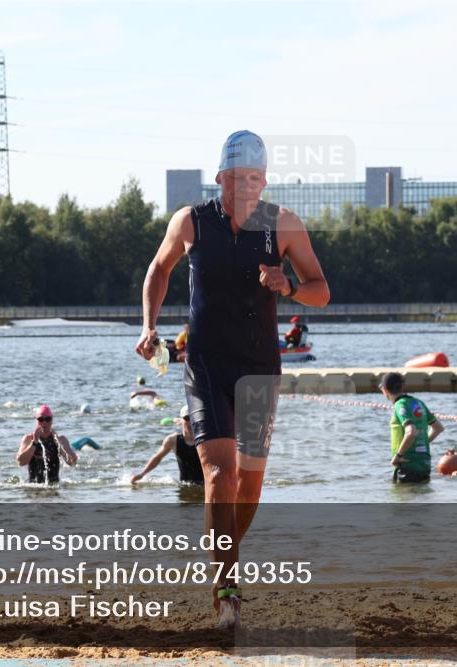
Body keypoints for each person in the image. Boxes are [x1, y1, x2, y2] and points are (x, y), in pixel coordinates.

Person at [135, 130, 330, 628]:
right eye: (233, 178)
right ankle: (227, 591)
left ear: (263, 181)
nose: (242, 187)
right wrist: (149, 326)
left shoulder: (283, 224)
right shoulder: (192, 221)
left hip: (260, 366)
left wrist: (288, 284)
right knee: (220, 474)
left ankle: (222, 555)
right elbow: (159, 270)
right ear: (219, 177)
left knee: (249, 485)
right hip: (205, 365)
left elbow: (321, 291)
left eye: (253, 179)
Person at [379, 372, 444, 484]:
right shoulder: (418, 403)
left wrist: (398, 456)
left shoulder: (399, 405)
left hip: (407, 466)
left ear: (385, 390)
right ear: (402, 386)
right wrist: (422, 443)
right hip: (424, 465)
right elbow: (438, 428)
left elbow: (411, 432)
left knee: (401, 499)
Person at [131, 405, 204, 486]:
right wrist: (142, 474)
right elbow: (157, 457)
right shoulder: (172, 440)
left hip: (205, 484)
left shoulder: (205, 439)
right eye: (187, 418)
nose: (191, 422)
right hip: (184, 485)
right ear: (181, 420)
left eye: (194, 418)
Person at [16, 405, 78, 484]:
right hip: (33, 488)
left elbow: (73, 462)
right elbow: (20, 462)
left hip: (54, 487)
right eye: (41, 419)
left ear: (52, 420)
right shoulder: (28, 439)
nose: (44, 422)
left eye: (48, 419)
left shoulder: (61, 439)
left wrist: (59, 445)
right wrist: (34, 443)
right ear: (37, 421)